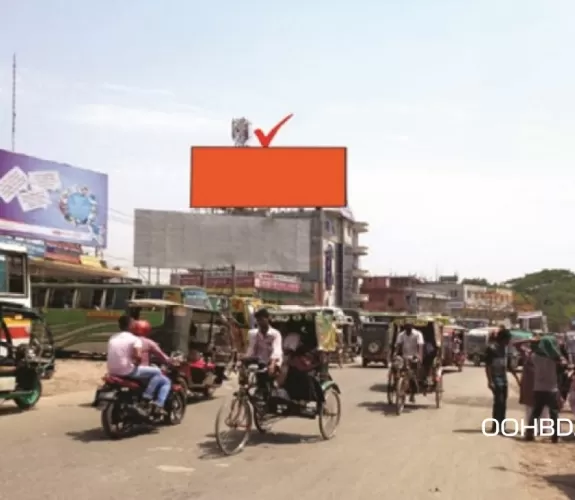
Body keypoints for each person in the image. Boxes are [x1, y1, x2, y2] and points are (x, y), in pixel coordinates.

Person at [106, 315, 170, 416]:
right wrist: (135, 364)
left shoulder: (112, 337)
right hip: (128, 371)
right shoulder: (136, 340)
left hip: (112, 371)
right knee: (158, 372)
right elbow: (139, 356)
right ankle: (147, 397)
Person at [525, 336, 564, 442]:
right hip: (551, 389)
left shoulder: (534, 356)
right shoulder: (554, 358)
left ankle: (529, 433)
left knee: (536, 412)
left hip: (538, 388)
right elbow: (560, 361)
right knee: (554, 413)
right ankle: (555, 435)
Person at [484, 327, 520, 435]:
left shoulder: (505, 349)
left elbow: (509, 366)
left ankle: (502, 427)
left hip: (503, 379)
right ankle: (495, 426)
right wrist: (490, 381)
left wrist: (517, 378)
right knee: (498, 402)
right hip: (495, 378)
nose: (508, 342)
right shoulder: (491, 348)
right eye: (508, 340)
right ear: (503, 339)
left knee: (503, 403)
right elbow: (488, 366)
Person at [245, 308, 283, 375]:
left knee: (269, 381)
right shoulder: (252, 333)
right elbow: (251, 348)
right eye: (258, 320)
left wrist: (272, 364)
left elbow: (277, 350)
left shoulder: (275, 334)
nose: (260, 322)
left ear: (268, 318)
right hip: (256, 361)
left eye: (262, 319)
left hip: (271, 362)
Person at [395, 322, 424, 403]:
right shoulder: (401, 335)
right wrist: (396, 354)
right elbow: (398, 345)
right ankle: (398, 386)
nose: (408, 330)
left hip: (414, 356)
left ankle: (412, 394)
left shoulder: (418, 334)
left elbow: (420, 346)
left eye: (409, 328)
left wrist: (419, 356)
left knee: (412, 375)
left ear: (412, 328)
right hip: (404, 356)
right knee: (397, 369)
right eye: (406, 328)